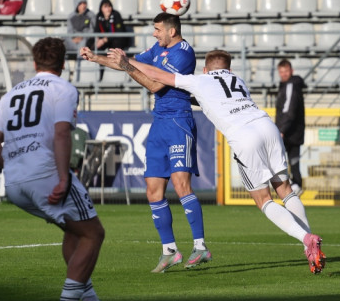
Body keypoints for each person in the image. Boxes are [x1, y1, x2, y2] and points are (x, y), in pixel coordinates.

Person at [120, 49, 325, 274]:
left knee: (264, 200)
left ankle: (307, 239)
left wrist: (127, 61)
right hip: (267, 126)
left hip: (244, 135)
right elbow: (215, 98)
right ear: (229, 69)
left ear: (206, 69)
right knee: (285, 189)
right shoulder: (238, 79)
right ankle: (310, 244)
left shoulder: (200, 80)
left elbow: (159, 76)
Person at [0, 37, 117, 301]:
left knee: (73, 231)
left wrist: (16, 169)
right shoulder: (64, 89)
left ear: (34, 63)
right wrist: (62, 177)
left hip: (16, 183)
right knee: (93, 234)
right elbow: (61, 134)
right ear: (63, 63)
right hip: (46, 174)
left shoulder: (10, 95)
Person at [81, 13, 209, 272]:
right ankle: (169, 250)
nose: (154, 34)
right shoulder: (157, 49)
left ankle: (201, 246)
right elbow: (131, 64)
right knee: (152, 190)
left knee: (181, 183)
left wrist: (127, 66)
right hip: (159, 122)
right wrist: (97, 59)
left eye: (158, 29)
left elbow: (154, 85)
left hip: (178, 121)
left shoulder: (183, 52)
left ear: (172, 31)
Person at [275, 58, 306, 194]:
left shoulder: (290, 86)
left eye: (286, 71)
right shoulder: (286, 85)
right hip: (291, 131)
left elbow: (289, 110)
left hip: (289, 132)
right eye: (281, 72)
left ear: (291, 71)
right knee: (291, 162)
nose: (284, 74)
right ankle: (294, 186)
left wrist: (281, 130)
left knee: (288, 162)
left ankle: (294, 187)